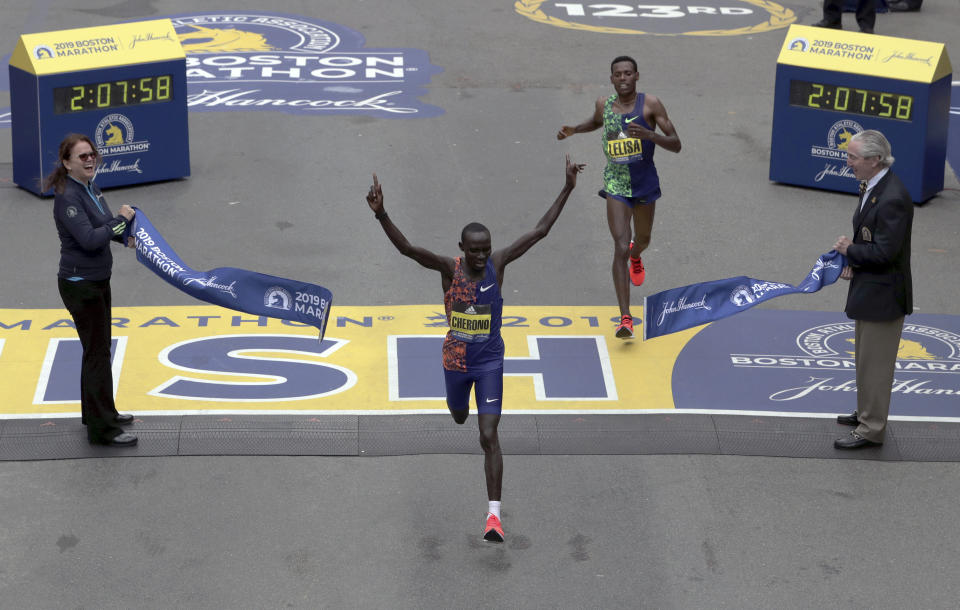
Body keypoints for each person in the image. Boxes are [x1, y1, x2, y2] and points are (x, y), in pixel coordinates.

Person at [365, 155, 584, 542]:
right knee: (458, 417)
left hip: (489, 363)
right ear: (461, 248)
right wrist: (382, 214)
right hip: (455, 361)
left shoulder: (499, 265)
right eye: (475, 251)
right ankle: (459, 404)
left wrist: (567, 187)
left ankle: (493, 518)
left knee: (488, 435)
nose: (482, 257)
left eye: (486, 250)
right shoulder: (449, 270)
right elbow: (408, 250)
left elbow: (540, 232)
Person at [557, 55, 681, 339]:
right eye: (618, 74)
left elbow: (676, 145)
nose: (623, 78)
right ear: (611, 79)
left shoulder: (651, 105)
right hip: (616, 184)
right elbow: (595, 122)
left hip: (645, 183)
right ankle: (625, 318)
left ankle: (638, 256)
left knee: (643, 240)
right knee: (620, 245)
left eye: (628, 73)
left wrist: (650, 136)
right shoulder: (604, 105)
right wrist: (575, 129)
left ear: (637, 76)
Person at [45, 134, 138, 447]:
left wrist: (126, 237)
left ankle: (101, 413)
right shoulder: (67, 196)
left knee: (98, 351)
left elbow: (105, 229)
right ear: (67, 162)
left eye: (91, 155)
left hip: (98, 280)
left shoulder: (90, 187)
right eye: (81, 156)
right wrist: (120, 221)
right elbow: (89, 239)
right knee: (96, 354)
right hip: (79, 285)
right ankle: (103, 430)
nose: (88, 160)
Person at [832, 130, 913, 449]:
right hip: (872, 288)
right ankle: (867, 412)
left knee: (876, 365)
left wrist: (850, 251)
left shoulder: (892, 198)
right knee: (865, 359)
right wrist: (856, 258)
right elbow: (871, 240)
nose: (848, 162)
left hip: (884, 295)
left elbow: (884, 253)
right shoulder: (874, 186)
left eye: (853, 157)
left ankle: (871, 428)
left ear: (875, 160)